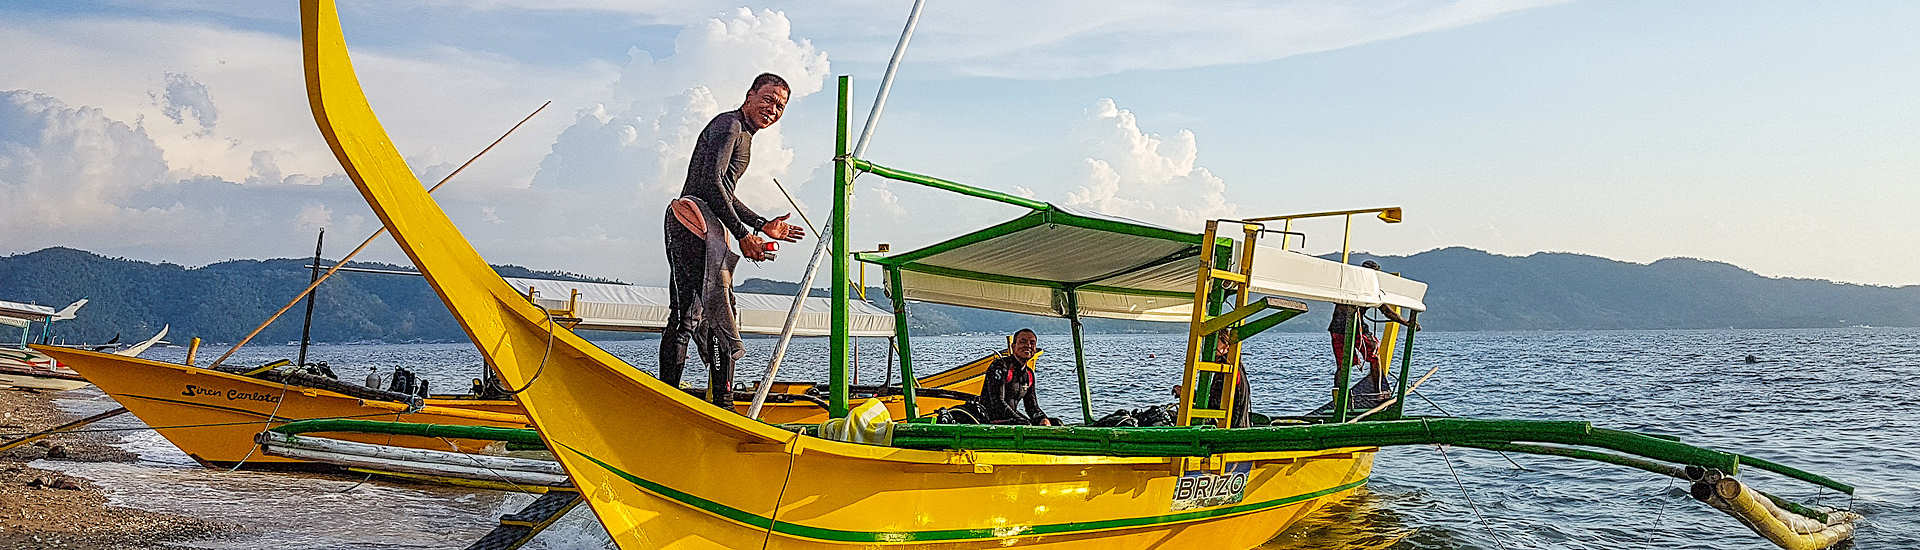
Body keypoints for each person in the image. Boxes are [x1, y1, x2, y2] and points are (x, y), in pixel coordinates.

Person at [661, 73, 805, 408]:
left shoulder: (744, 134)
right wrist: (743, 234)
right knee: (695, 315)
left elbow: (721, 190)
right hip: (693, 223)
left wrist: (761, 224)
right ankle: (687, 399)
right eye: (767, 99)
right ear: (750, 94)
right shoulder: (730, 126)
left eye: (780, 106)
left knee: (699, 314)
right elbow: (711, 184)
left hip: (702, 225)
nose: (773, 109)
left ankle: (709, 399)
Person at [1329, 260, 1418, 405]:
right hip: (1349, 329)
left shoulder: (1361, 287)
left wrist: (1407, 323)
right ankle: (1368, 393)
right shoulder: (1353, 287)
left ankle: (1345, 396)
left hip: (1341, 329)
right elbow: (1386, 311)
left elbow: (1386, 311)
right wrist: (1406, 323)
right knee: (1369, 358)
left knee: (1346, 364)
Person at [980, 329, 1057, 426]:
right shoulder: (1000, 366)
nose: (1028, 345)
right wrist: (1019, 419)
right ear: (1013, 346)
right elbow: (997, 403)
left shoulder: (1029, 374)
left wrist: (1043, 419)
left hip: (1012, 418)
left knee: (1055, 423)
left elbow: (1031, 407)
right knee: (1025, 424)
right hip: (990, 419)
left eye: (1032, 343)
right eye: (1023, 342)